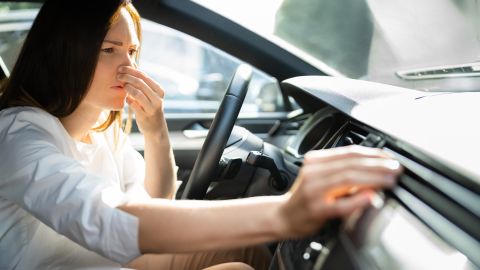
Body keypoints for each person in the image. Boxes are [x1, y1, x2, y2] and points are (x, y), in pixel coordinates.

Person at [0, 0, 402, 269]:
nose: (130, 66)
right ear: (64, 52)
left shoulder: (101, 129)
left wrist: (155, 129)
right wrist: (285, 212)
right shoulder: (19, 134)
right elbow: (112, 219)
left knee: (242, 247)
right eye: (109, 50)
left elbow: (156, 205)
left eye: (133, 52)